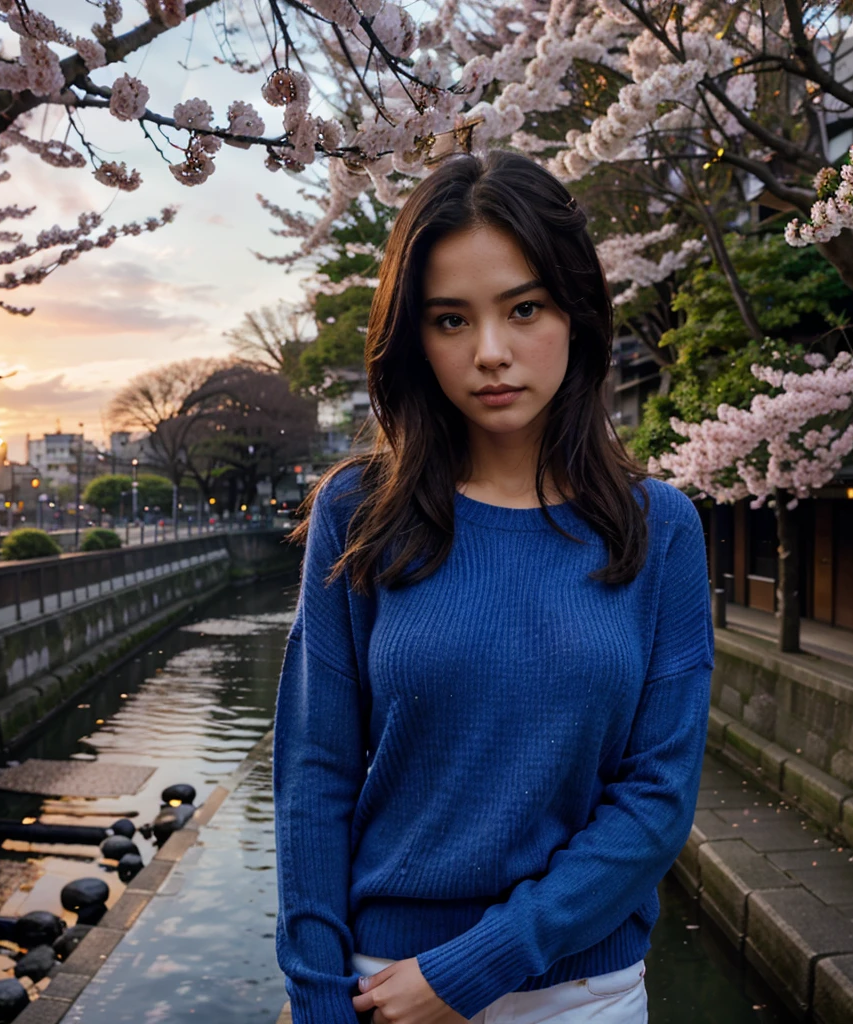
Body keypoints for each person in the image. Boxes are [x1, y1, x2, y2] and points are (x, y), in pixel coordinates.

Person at [272, 150, 714, 1024]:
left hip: (580, 994)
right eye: (448, 320)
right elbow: (314, 773)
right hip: (381, 985)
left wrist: (476, 966)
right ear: (413, 336)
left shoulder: (660, 527)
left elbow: (657, 800)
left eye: (524, 309)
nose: (490, 353)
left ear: (576, 312)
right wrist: (319, 999)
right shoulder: (358, 511)